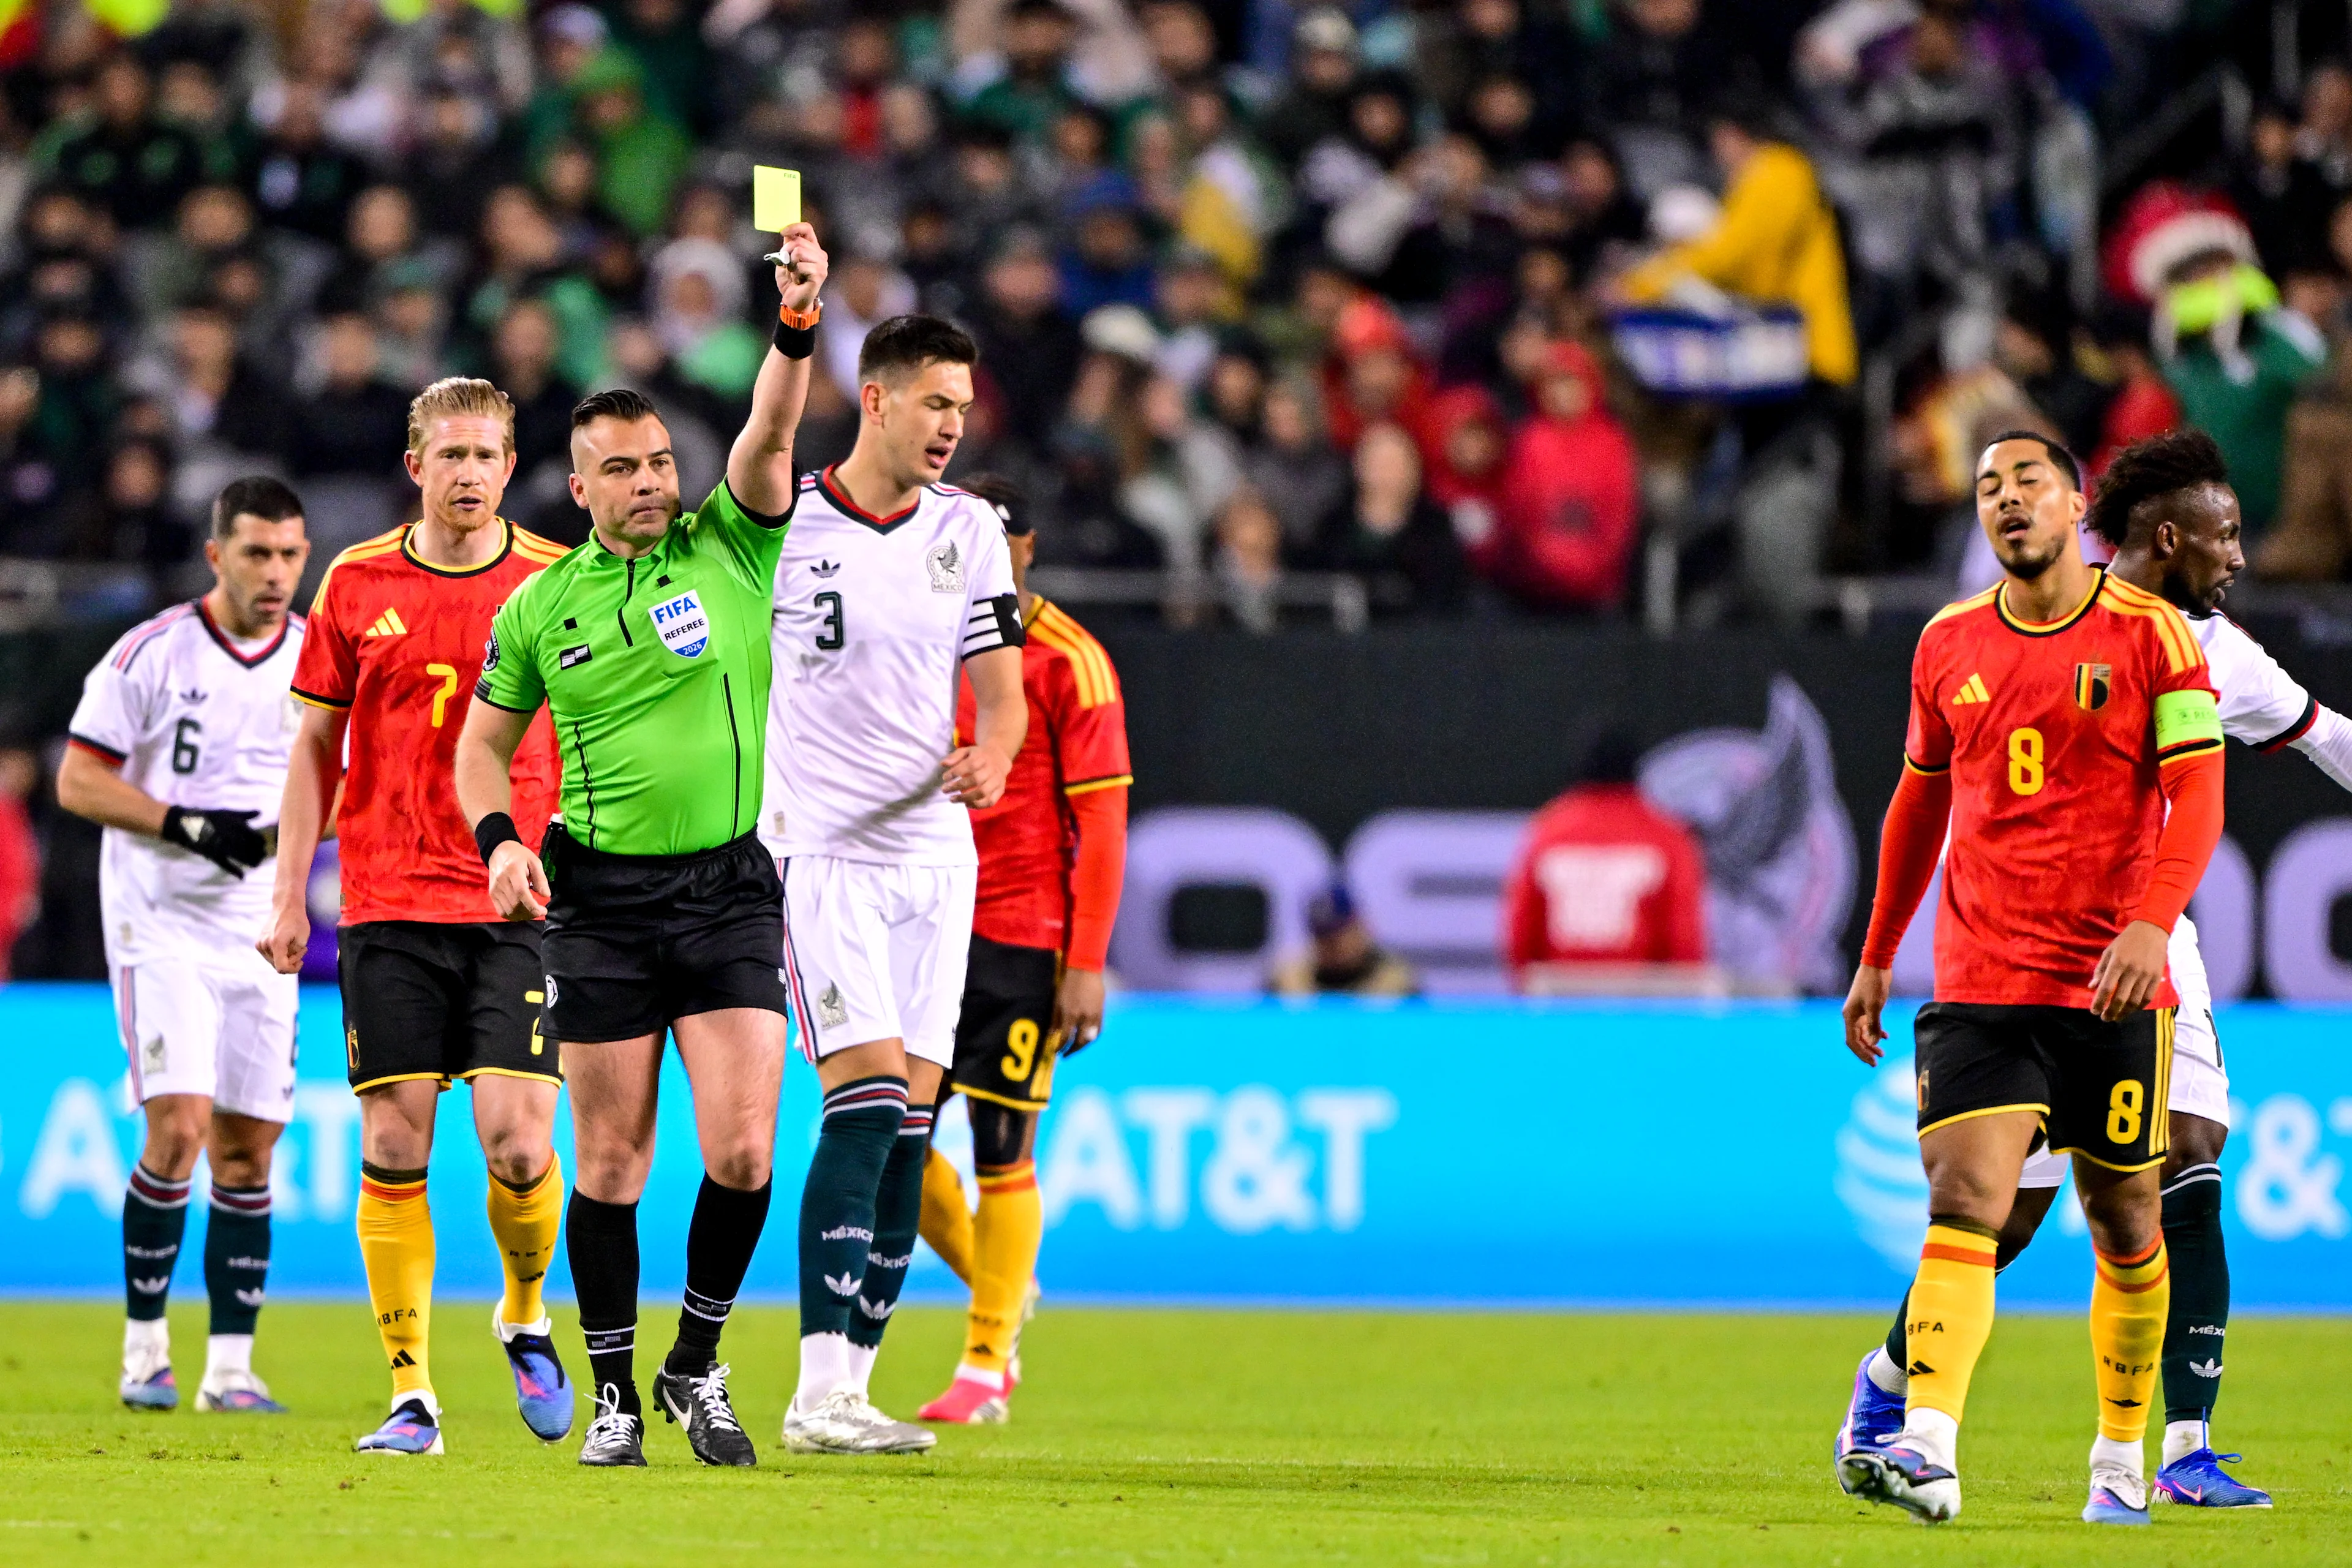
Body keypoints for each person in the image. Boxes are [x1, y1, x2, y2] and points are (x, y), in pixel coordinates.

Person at [1839, 430, 2345, 1509]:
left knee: (2172, 1179)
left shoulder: (2201, 649)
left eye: (2027, 484)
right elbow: (1919, 797)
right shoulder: (1964, 640)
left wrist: (2155, 924)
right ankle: (1905, 1404)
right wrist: (1878, 951)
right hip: (1993, 966)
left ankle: (2164, 1452)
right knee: (1992, 1212)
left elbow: (2299, 753)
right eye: (2226, 537)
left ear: (2075, 507)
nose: (2240, 558)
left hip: (2140, 948)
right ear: (2168, 534)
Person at [454, 222, 831, 1469]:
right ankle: (615, 1390)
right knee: (611, 1160)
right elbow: (478, 746)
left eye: (663, 460)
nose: (653, 481)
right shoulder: (537, 607)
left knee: (744, 1148)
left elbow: (773, 432)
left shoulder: (731, 541)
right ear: (579, 486)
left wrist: (794, 323)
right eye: (625, 468)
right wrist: (503, 838)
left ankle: (696, 1363)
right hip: (601, 899)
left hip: (728, 883)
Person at [257, 379, 573, 1458]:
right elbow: (314, 752)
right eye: (452, 456)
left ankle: (525, 1314)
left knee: (522, 1148)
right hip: (388, 898)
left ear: (510, 465)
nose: (472, 475)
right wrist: (289, 885)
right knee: (395, 1140)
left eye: (489, 456)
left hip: (512, 898)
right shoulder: (355, 582)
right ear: (417, 467)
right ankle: (412, 1397)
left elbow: (587, 737)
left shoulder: (552, 579)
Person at [758, 314, 1028, 1455]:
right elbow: (764, 437)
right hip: (822, 853)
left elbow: (1004, 692)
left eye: (962, 407)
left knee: (915, 1133)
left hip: (937, 862)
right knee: (865, 1102)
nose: (952, 425)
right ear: (875, 400)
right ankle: (815, 1389)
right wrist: (796, 319)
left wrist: (996, 756)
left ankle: (853, 1392)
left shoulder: (969, 531)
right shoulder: (787, 520)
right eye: (934, 402)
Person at [56, 477, 310, 1415]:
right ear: (217, 555)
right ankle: (143, 1353)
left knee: (248, 1152)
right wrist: (185, 825)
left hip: (260, 926)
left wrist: (294, 840)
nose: (276, 573)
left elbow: (341, 789)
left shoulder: (318, 661)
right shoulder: (151, 655)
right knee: (179, 1128)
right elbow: (80, 782)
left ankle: (232, 1371)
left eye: (290, 554)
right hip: (158, 919)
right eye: (257, 553)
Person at [909, 477, 1131, 1425]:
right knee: (889, 1140)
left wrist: (1086, 960)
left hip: (1021, 931)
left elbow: (1105, 823)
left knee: (1004, 1144)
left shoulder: (1070, 661)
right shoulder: (917, 636)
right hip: (917, 922)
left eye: (995, 547)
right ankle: (1001, 1282)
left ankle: (988, 1358)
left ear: (1028, 549)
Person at [1500, 729, 1710, 993]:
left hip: (1561, 1007)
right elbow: (1685, 943)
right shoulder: (1667, 839)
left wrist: (1530, 994)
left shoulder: (1548, 833)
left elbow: (1521, 934)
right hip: (1640, 1013)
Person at [1267, 884, 1417, 997]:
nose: (1332, 944)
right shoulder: (1289, 982)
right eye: (1322, 936)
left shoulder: (1396, 985)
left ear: (1361, 927)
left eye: (1340, 933)